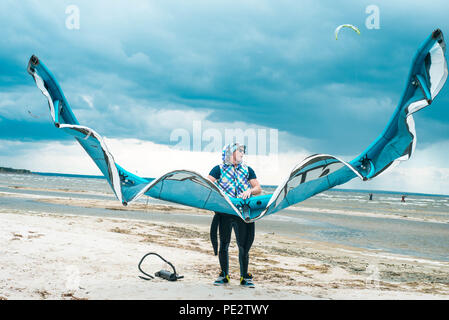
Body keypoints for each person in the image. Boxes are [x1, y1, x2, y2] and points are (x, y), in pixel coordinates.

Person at [207, 143, 262, 288]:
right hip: (224, 212)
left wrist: (250, 191)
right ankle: (224, 275)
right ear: (230, 153)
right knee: (224, 244)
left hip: (241, 213)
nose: (242, 154)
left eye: (243, 152)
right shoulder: (218, 169)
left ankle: (244, 277)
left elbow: (258, 188)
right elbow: (207, 184)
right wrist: (219, 194)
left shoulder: (247, 170)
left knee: (243, 246)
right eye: (240, 151)